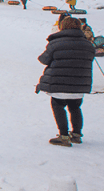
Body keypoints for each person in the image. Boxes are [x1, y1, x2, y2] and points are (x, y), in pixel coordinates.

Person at [35, 17, 95, 146]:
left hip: (59, 82)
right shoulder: (88, 45)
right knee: (75, 107)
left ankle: (63, 136)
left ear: (62, 27)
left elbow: (44, 59)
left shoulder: (56, 43)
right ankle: (77, 134)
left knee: (58, 106)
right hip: (79, 84)